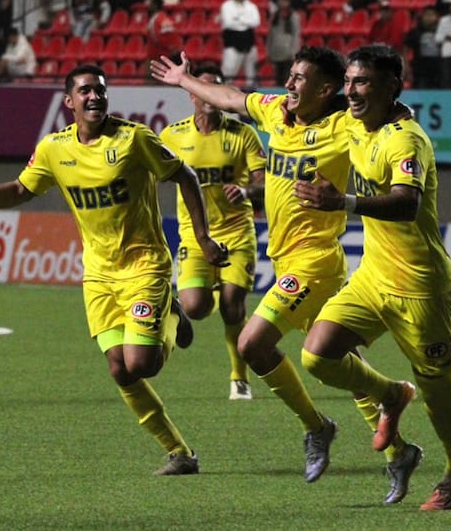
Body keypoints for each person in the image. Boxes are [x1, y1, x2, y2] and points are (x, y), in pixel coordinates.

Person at [0, 64, 229, 476]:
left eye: (101, 91)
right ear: (69, 101)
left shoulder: (134, 139)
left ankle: (170, 314)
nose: (94, 97)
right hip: (98, 273)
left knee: (143, 364)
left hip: (144, 265)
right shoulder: (55, 149)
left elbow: (186, 175)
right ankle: (179, 452)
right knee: (119, 369)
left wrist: (203, 239)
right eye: (86, 91)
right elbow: (22, 190)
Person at [151, 47, 421, 497]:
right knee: (339, 362)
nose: (290, 86)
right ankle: (398, 451)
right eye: (290, 76)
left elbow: (388, 116)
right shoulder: (277, 112)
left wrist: (402, 109)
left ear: (325, 90)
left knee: (252, 343)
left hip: (314, 259)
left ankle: (317, 426)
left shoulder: (343, 126)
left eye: (300, 80)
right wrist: (183, 80)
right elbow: (232, 97)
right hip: (287, 259)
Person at [292, 43, 451, 511]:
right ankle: (391, 394)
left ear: (392, 86)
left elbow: (406, 202)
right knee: (318, 354)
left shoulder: (406, 140)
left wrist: (343, 203)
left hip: (421, 288)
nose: (351, 92)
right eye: (348, 82)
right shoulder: (353, 120)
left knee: (439, 397)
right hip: (373, 276)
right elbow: (303, 95)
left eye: (362, 82)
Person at [159, 64, 266, 401]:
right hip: (193, 234)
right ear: (192, 94)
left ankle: (239, 377)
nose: (211, 97)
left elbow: (265, 182)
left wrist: (247, 192)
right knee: (196, 307)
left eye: (217, 89)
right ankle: (178, 308)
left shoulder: (243, 135)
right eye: (205, 89)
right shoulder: (172, 136)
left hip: (236, 230)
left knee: (233, 305)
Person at [219, 0, 262, 87]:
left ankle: (250, 95)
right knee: (228, 73)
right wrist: (246, 21)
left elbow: (256, 22)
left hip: (249, 43)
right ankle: (223, 94)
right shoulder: (226, 6)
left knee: (251, 75)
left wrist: (238, 18)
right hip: (232, 44)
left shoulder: (251, 6)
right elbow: (228, 23)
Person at [404, 6, 442, 89]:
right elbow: (406, 48)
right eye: (427, 15)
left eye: (432, 15)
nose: (429, 17)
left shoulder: (441, 31)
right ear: (422, 17)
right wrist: (407, 66)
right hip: (420, 70)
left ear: (437, 17)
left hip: (438, 69)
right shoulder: (415, 32)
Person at [266, 0, 302, 87]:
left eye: (285, 0)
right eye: (280, 0)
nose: (282, 3)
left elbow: (296, 35)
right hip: (276, 51)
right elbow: (270, 35)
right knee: (278, 78)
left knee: (287, 79)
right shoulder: (274, 16)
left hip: (288, 53)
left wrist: (294, 52)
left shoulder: (294, 16)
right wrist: (269, 51)